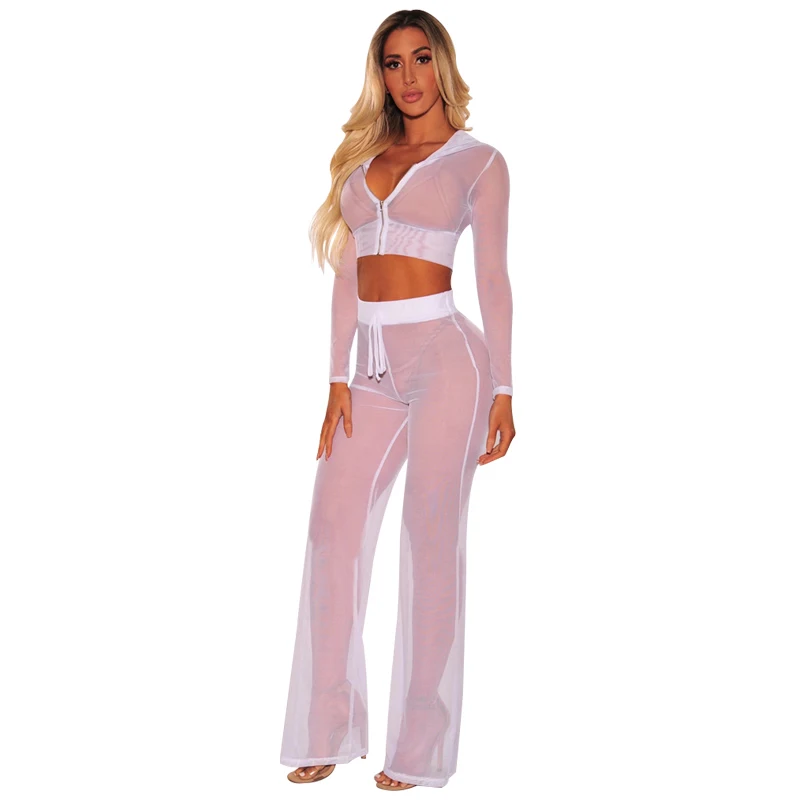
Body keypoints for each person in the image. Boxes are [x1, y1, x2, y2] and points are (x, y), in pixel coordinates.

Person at [280, 9, 516, 791]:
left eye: (419, 59)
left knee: (430, 540)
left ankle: (418, 748)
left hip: (449, 360)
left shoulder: (478, 162)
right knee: (332, 533)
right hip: (371, 371)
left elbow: (492, 279)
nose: (407, 77)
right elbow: (348, 277)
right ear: (379, 74)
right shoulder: (364, 163)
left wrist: (505, 387)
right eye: (391, 62)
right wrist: (335, 379)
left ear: (441, 65)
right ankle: (326, 727)